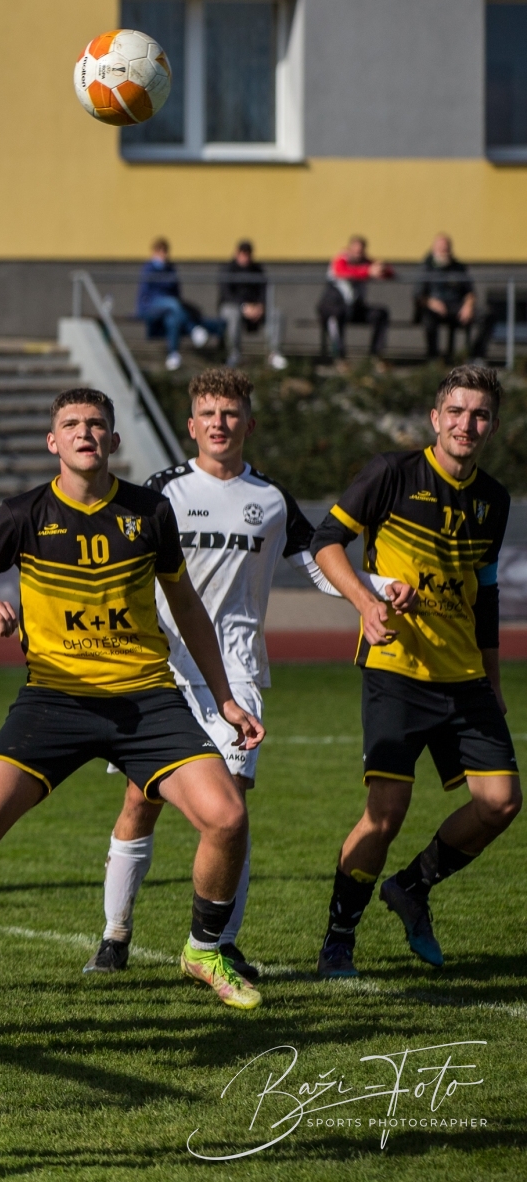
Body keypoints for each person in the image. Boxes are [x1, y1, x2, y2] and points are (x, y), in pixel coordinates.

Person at [0, 388, 265, 1017]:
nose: (84, 432)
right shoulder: (22, 514)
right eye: (71, 424)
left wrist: (225, 699)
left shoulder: (149, 511)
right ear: (53, 441)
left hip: (147, 699)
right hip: (54, 699)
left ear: (113, 440)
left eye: (96, 424)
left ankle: (203, 951)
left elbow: (188, 608)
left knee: (227, 817)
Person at [83, 367, 409, 981]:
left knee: (231, 807)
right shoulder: (163, 492)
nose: (219, 423)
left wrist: (377, 586)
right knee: (140, 799)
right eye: (208, 413)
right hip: (162, 670)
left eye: (230, 413)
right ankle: (114, 935)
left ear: (249, 424)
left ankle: (218, 942)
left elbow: (318, 565)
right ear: (191, 425)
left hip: (237, 674)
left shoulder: (272, 499)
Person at [308, 365, 517, 978]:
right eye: (456, 411)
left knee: (501, 803)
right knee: (386, 812)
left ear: (492, 426)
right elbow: (325, 542)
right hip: (397, 669)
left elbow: (485, 594)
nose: (466, 424)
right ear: (435, 418)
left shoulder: (495, 500)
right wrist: (366, 601)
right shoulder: (391, 473)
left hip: (465, 677)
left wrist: (493, 679)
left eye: (479, 415)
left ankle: (412, 886)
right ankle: (338, 940)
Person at [137, 237, 221, 372]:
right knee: (173, 304)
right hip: (151, 305)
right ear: (154, 252)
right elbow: (149, 292)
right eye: (159, 251)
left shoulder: (170, 269)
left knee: (172, 319)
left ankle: (173, 354)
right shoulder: (149, 268)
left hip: (170, 309)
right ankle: (193, 330)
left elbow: (176, 290)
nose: (163, 254)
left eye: (165, 251)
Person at [417, 234, 492, 365]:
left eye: (447, 249)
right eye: (441, 249)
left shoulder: (458, 267)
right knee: (428, 318)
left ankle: (476, 355)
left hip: (457, 307)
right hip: (434, 309)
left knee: (486, 315)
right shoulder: (426, 267)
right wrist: (432, 302)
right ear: (434, 249)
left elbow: (470, 292)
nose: (444, 252)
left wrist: (468, 306)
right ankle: (433, 358)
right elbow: (418, 295)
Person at [318, 235, 392, 363]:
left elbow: (389, 272)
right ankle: (340, 358)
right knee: (336, 315)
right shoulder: (341, 259)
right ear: (350, 249)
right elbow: (341, 271)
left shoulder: (365, 263)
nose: (358, 254)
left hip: (354, 308)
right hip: (332, 306)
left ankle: (376, 356)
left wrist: (382, 269)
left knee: (380, 314)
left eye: (361, 251)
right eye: (355, 251)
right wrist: (368, 271)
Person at [216, 240, 286, 370]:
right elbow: (226, 294)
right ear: (237, 253)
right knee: (231, 315)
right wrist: (243, 307)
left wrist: (261, 306)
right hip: (236, 308)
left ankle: (274, 354)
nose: (245, 257)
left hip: (256, 309)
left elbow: (264, 290)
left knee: (276, 315)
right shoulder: (228, 269)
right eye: (243, 253)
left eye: (248, 254)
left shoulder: (257, 269)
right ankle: (234, 354)